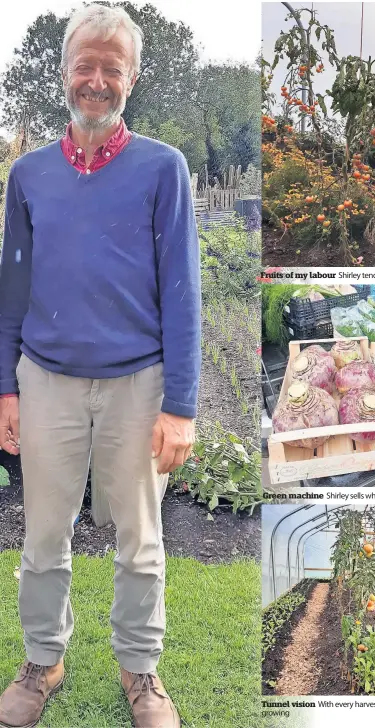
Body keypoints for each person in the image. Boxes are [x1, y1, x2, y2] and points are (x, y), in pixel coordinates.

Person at [0, 5, 200, 727]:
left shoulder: (162, 169)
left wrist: (180, 404)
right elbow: (12, 290)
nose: (97, 80)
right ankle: (43, 661)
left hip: (137, 387)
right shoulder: (28, 176)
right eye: (85, 65)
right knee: (43, 538)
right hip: (45, 381)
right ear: (63, 74)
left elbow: (182, 291)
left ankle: (140, 674)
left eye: (112, 68)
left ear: (132, 79)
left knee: (140, 544)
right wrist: (4, 388)